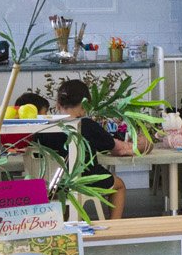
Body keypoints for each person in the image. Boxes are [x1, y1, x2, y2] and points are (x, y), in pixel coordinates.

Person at [38, 79, 132, 218]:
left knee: (64, 193)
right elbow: (118, 149)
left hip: (50, 184)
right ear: (85, 104)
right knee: (119, 186)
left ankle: (65, 222)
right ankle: (114, 225)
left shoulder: (42, 127)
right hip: (85, 180)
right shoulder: (86, 125)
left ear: (58, 104)